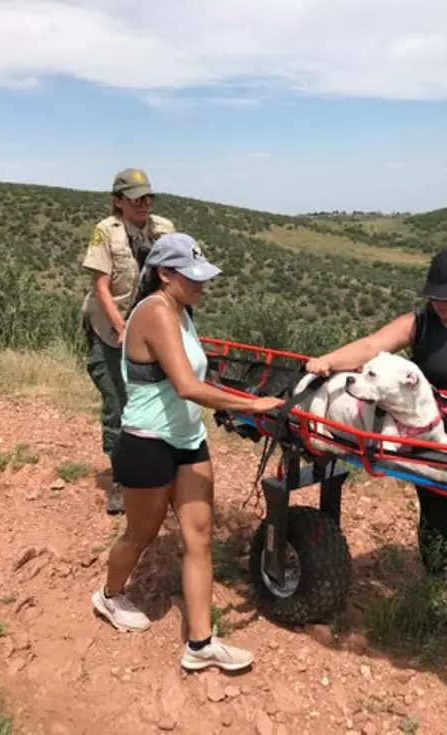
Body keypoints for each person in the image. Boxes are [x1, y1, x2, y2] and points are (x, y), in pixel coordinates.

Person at [305, 245, 447, 639]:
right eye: (433, 294)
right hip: (430, 435)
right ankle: (435, 589)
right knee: (436, 511)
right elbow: (370, 346)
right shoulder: (421, 322)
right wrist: (328, 360)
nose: (438, 303)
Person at [90, 232, 285, 671]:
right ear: (164, 274)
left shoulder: (181, 310)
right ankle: (108, 595)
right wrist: (253, 404)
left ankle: (200, 644)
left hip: (187, 440)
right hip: (147, 441)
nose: (201, 284)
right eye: (192, 276)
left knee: (198, 538)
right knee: (139, 535)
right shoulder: (156, 311)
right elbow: (187, 386)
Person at [80, 168, 177, 515]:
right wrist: (121, 327)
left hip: (149, 333)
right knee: (118, 404)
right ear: (118, 201)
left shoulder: (163, 229)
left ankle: (158, 472)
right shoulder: (107, 232)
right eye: (135, 197)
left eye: (147, 196)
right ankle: (121, 478)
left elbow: (174, 279)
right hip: (110, 332)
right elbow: (101, 287)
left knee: (156, 401)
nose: (143, 203)